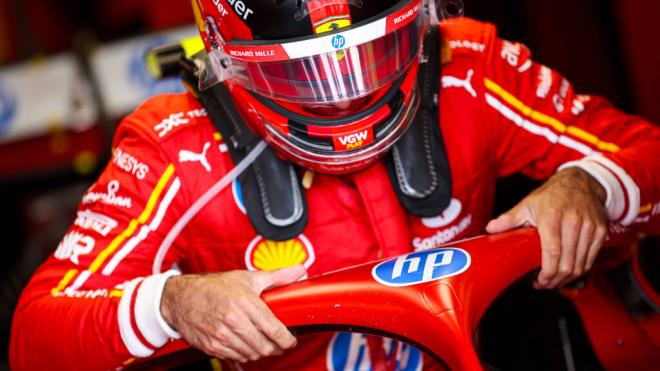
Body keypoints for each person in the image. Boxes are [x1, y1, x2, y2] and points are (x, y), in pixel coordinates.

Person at [9, 0, 660, 369]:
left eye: (372, 54)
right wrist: (172, 302)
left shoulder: (470, 66)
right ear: (228, 59)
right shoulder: (176, 149)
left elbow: (647, 152)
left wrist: (589, 183)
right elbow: (33, 339)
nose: (348, 95)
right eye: (305, 77)